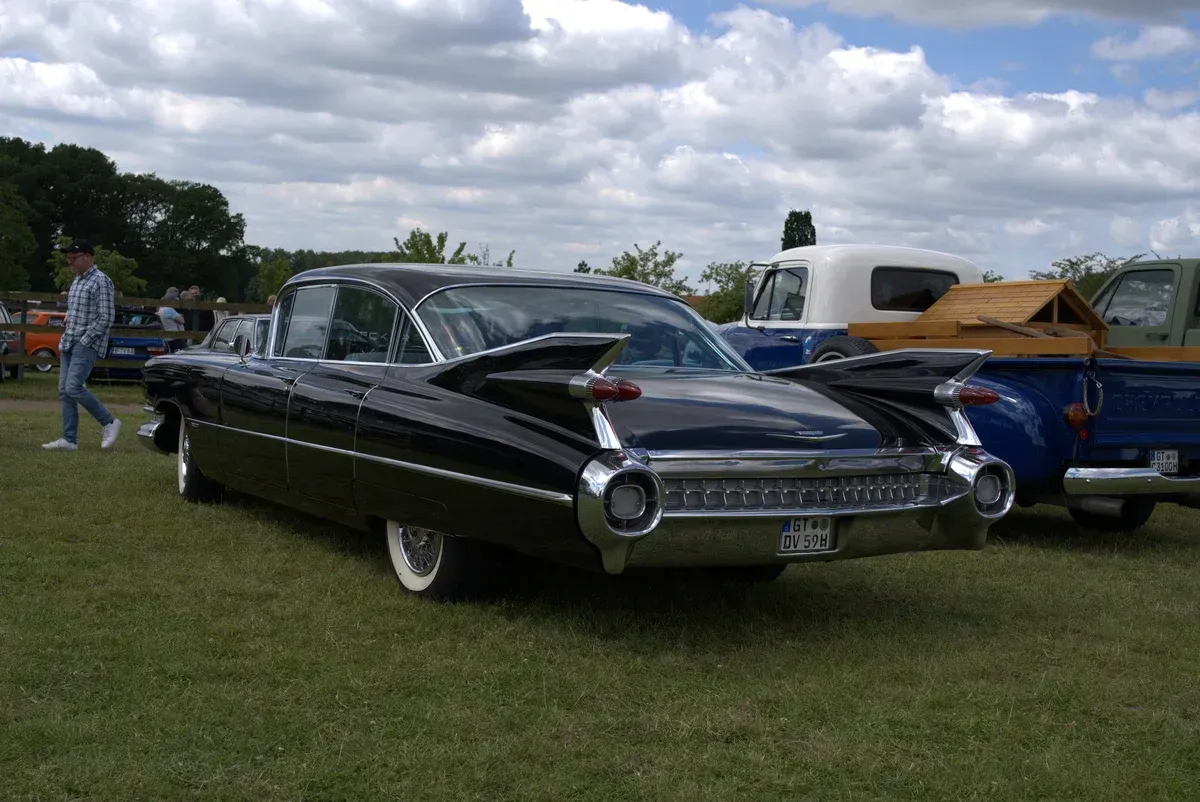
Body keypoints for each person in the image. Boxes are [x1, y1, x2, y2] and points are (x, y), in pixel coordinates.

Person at [41, 239, 122, 451]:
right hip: (69, 340)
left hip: (86, 342)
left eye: (73, 258)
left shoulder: (101, 281)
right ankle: (69, 439)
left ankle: (109, 422)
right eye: (68, 259)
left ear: (88, 257)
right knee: (64, 391)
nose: (70, 263)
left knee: (73, 387)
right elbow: (79, 310)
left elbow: (106, 317)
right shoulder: (77, 281)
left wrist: (85, 339)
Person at [157, 288, 187, 352]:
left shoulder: (161, 309)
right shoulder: (169, 310)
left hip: (169, 338)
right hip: (176, 338)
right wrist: (180, 315)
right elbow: (182, 321)